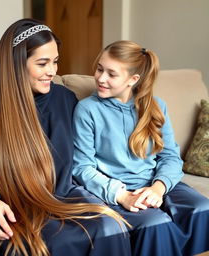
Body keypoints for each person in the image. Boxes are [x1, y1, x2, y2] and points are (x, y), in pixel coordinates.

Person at [0, 19, 132, 256]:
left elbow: (94, 153)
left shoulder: (66, 100)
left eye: (55, 61)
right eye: (42, 63)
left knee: (111, 226)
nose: (52, 71)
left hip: (63, 200)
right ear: (16, 65)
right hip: (14, 209)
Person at [72, 40, 209, 256]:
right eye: (99, 69)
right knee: (155, 224)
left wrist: (158, 188)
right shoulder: (87, 110)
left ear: (133, 80)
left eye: (111, 74)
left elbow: (171, 157)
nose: (100, 78)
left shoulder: (156, 107)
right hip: (118, 190)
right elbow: (82, 167)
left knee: (202, 208)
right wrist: (123, 196)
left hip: (154, 183)